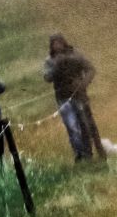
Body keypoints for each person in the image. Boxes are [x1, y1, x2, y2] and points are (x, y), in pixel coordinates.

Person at [42, 34, 104, 162]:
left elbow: (90, 69)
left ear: (64, 42)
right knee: (72, 127)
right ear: (51, 46)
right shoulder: (50, 60)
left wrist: (83, 83)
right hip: (63, 98)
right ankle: (80, 154)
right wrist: (56, 68)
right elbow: (47, 77)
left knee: (86, 124)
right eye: (54, 43)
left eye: (59, 42)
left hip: (79, 95)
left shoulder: (75, 55)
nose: (57, 45)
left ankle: (90, 152)